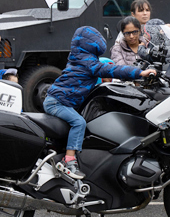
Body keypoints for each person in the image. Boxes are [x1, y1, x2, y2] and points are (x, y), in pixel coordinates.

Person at [44, 26, 156, 179]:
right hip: (57, 102)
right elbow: (113, 70)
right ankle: (68, 162)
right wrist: (139, 73)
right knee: (79, 123)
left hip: (61, 100)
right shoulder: (88, 63)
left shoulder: (79, 57)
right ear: (90, 43)